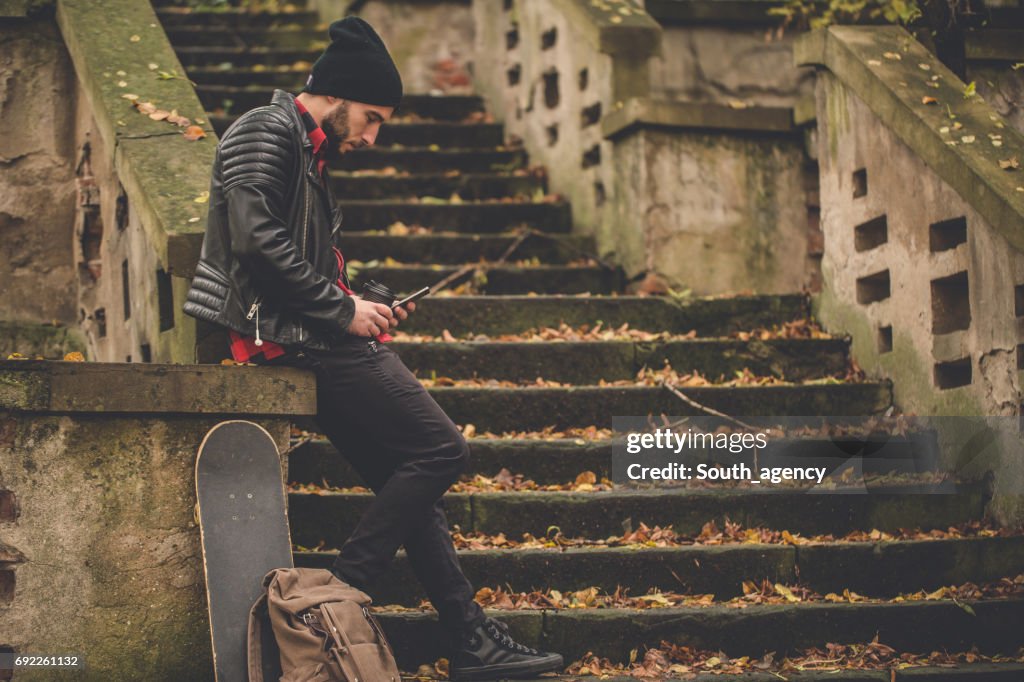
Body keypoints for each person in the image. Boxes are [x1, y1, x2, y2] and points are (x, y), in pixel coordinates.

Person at [182, 15, 564, 681]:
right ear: (334, 96)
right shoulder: (262, 130)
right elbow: (252, 239)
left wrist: (368, 300)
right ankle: (340, 588)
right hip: (299, 340)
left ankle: (471, 639)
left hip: (313, 330)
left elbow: (300, 256)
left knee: (407, 485)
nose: (373, 134)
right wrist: (340, 310)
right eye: (372, 117)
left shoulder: (309, 154)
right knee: (444, 450)